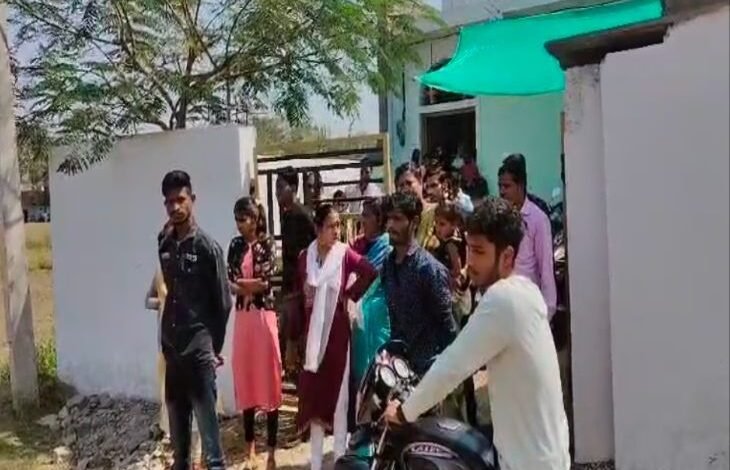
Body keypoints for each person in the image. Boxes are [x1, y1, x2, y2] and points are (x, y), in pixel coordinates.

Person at [384, 197, 571, 470]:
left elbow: (452, 366)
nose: (470, 261)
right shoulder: (526, 291)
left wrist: (403, 412)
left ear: (507, 256)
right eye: (469, 249)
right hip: (547, 455)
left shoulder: (503, 299)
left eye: (479, 252)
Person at [288, 205, 377, 469]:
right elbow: (299, 296)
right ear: (318, 229)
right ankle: (315, 463)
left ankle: (339, 459)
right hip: (313, 341)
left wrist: (349, 295)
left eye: (338, 225)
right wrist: (295, 339)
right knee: (315, 399)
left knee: (339, 398)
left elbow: (370, 272)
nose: (337, 231)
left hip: (337, 336)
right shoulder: (305, 258)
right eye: (331, 226)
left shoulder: (343, 254)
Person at [157, 170, 231, 470]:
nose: (175, 207)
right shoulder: (164, 243)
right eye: (169, 202)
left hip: (199, 355)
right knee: (180, 455)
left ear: (193, 200)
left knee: (212, 454)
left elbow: (223, 302)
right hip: (173, 355)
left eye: (181, 199)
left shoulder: (207, 248)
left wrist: (213, 348)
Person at [227, 197, 282, 470]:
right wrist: (250, 284)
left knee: (269, 377)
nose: (240, 225)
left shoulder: (267, 244)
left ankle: (271, 450)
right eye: (237, 219)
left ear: (255, 219)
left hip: (263, 316)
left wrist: (244, 284)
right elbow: (229, 281)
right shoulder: (235, 245)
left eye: (244, 219)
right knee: (245, 376)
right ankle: (250, 450)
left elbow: (266, 283)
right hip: (243, 318)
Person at [145, 225, 204, 469]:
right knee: (172, 401)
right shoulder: (160, 271)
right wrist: (162, 302)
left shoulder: (191, 265)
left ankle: (198, 456)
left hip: (191, 341)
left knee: (196, 397)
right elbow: (147, 300)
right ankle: (180, 453)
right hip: (168, 343)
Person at [380, 192, 457, 376]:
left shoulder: (429, 269)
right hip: (401, 370)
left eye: (397, 219)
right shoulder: (388, 265)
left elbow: (448, 329)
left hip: (430, 371)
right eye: (388, 219)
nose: (390, 225)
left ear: (414, 222)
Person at [498, 156, 557, 317]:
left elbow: (546, 268)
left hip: (528, 306)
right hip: (504, 304)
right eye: (500, 186)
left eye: (507, 186)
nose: (502, 191)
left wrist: (547, 312)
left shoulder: (537, 219)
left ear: (521, 186)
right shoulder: (500, 218)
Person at [277, 167, 316, 374]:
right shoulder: (287, 216)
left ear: (293, 188)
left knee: (298, 342)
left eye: (280, 187)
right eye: (276, 187)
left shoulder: (301, 216)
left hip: (300, 289)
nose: (276, 192)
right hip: (290, 286)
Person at [349, 198, 392, 389]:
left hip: (378, 318)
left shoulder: (387, 248)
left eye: (366, 215)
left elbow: (369, 278)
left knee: (379, 371)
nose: (362, 220)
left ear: (379, 218)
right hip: (361, 319)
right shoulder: (360, 246)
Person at [394, 162, 438, 252]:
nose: (405, 189)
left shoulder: (436, 212)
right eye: (401, 185)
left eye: (409, 183)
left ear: (420, 182)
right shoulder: (398, 219)